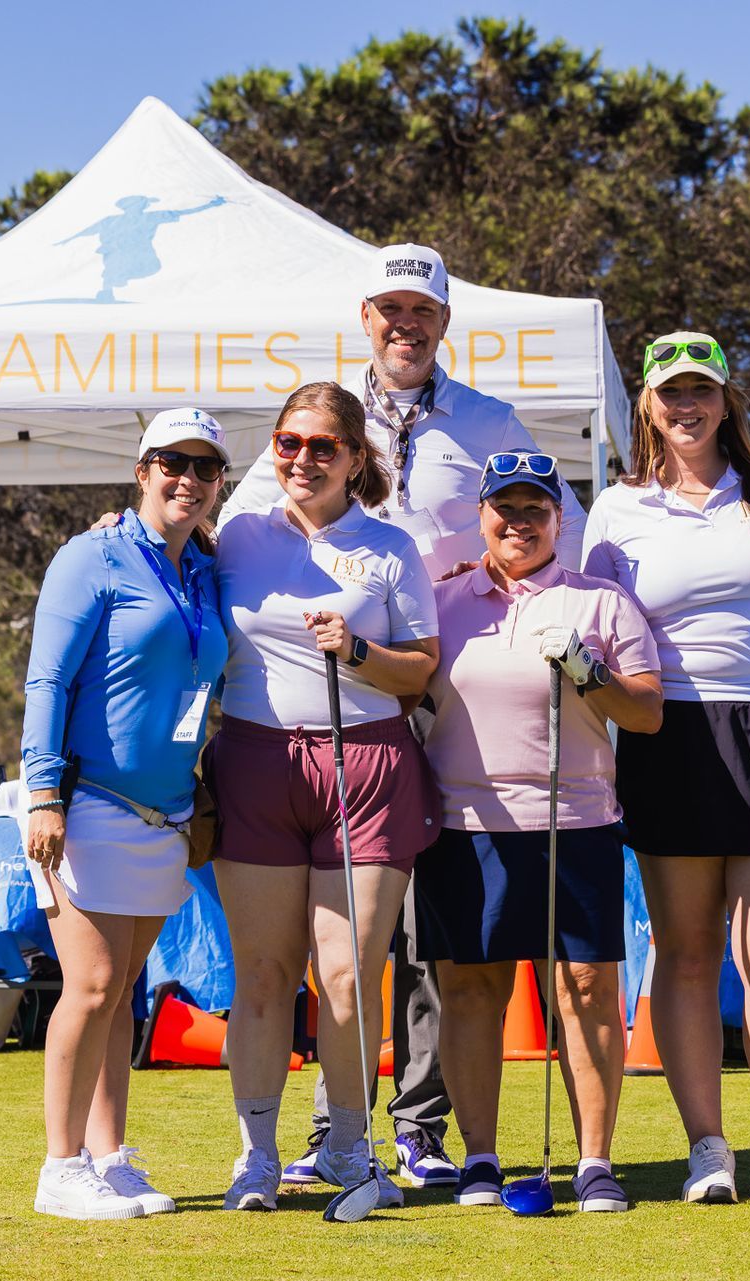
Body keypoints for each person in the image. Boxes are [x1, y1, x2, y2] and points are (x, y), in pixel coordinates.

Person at [217, 243, 587, 1189]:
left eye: (420, 311)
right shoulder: (319, 426)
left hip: (449, 687)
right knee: (335, 954)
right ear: (367, 319)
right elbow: (225, 535)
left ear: (445, 323)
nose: (404, 325)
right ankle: (329, 1128)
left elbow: (568, 541)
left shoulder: (490, 422)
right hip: (315, 710)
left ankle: (414, 1126)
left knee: (422, 933)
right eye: (389, 309)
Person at [581, 331, 750, 1206]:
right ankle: (708, 1146)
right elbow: (591, 622)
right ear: (647, 405)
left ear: (727, 401)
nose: (685, 405)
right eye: (669, 392)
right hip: (667, 737)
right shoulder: (616, 509)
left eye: (701, 390)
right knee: (686, 954)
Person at [209, 381, 442, 1212]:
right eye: (287, 442)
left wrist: (361, 650)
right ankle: (258, 1157)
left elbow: (420, 672)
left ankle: (349, 1146)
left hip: (366, 768)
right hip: (255, 764)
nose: (302, 458)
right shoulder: (237, 533)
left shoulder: (389, 546)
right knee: (265, 975)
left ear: (355, 458)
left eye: (322, 446)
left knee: (346, 975)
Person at [415, 453, 663, 1212]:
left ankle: (594, 1161)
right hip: (464, 822)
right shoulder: (443, 598)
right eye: (504, 508)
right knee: (469, 987)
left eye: (534, 509)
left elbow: (647, 713)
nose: (518, 523)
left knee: (585, 988)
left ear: (559, 518)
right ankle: (482, 1159)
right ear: (482, 514)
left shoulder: (603, 602)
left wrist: (589, 671)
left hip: (575, 818)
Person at [21, 408, 233, 1220]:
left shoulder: (203, 569)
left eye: (205, 467)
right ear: (141, 470)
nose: (187, 478)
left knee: (123, 993)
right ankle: (59, 1165)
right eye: (171, 462)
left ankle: (109, 1158)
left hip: (166, 811)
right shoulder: (90, 556)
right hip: (87, 800)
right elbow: (48, 681)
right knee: (93, 981)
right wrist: (43, 792)